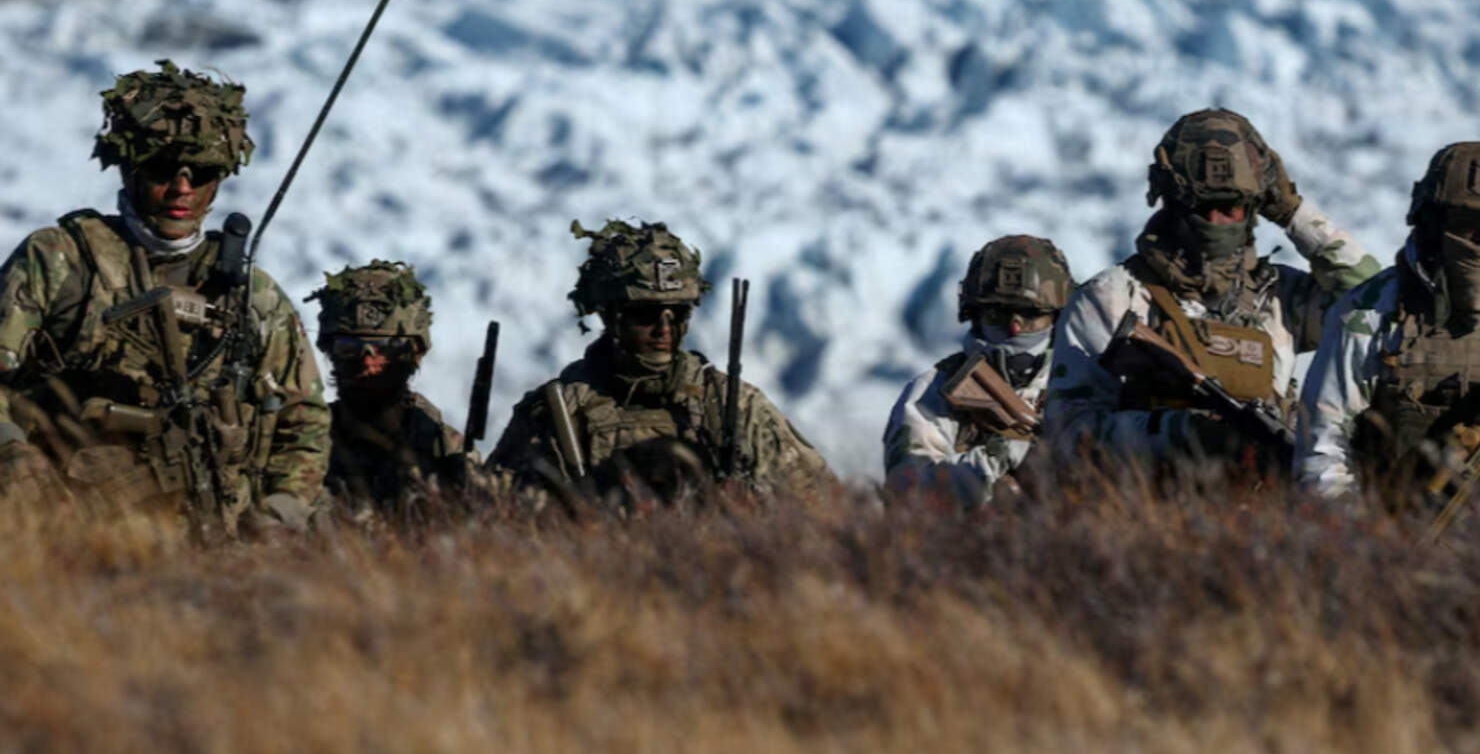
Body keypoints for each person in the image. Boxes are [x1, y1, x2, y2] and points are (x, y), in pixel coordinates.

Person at [0, 60, 329, 535]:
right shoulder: (60, 259)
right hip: (63, 530)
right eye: (162, 169)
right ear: (128, 168)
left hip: (216, 541)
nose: (182, 188)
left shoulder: (251, 294)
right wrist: (15, 457)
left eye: (202, 174)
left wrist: (282, 506)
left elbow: (305, 421)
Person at [1298, 141, 1480, 555]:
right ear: (1433, 224)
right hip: (1401, 526)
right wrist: (1358, 545)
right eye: (1467, 224)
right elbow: (1323, 448)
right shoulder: (1372, 313)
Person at [1044, 108, 1378, 475]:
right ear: (1172, 203)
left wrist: (1293, 212)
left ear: (1254, 208)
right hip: (1146, 514)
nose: (1217, 222)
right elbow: (1066, 436)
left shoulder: (1282, 296)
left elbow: (1373, 302)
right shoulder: (1111, 298)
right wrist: (1172, 433)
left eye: (1231, 207)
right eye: (1203, 207)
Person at [489, 220, 832, 502]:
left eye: (678, 313)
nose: (664, 329)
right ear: (611, 318)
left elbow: (824, 504)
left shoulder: (734, 406)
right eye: (645, 315)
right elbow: (497, 520)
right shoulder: (557, 413)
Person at [883, 235, 1071, 506]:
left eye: (1031, 315)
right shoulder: (933, 393)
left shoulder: (1085, 380)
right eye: (998, 315)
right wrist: (997, 458)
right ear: (974, 314)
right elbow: (907, 497)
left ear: (1057, 316)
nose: (1015, 328)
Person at [308, 260, 469, 511]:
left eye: (386, 350)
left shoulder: (443, 447)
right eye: (350, 350)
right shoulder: (302, 441)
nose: (369, 364)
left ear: (414, 354)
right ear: (331, 352)